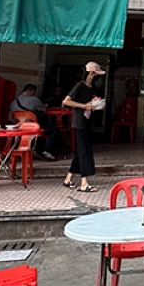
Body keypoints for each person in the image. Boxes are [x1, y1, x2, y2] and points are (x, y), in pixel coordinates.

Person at [62, 61, 105, 193]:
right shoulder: (80, 86)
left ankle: (68, 179)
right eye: (96, 74)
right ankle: (84, 183)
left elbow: (94, 102)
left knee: (82, 151)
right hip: (79, 122)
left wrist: (98, 105)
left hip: (88, 122)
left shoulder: (93, 88)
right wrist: (83, 106)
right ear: (91, 73)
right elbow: (66, 101)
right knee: (84, 152)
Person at [9, 84, 58, 161]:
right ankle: (46, 151)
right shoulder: (34, 99)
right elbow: (44, 111)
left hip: (19, 128)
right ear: (31, 91)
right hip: (33, 128)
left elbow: (11, 117)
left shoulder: (13, 102)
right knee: (53, 129)